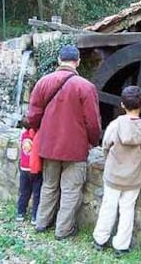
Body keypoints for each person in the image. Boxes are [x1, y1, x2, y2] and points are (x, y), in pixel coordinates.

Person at [27, 44, 101, 240]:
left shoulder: (43, 82)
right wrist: (92, 142)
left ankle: (42, 222)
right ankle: (63, 230)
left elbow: (32, 116)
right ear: (77, 62)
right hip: (75, 149)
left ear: (59, 60)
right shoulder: (86, 87)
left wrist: (41, 133)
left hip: (48, 147)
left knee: (49, 185)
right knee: (70, 190)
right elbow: (93, 123)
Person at [92, 85, 141, 257]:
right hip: (133, 178)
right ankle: (121, 245)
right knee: (127, 210)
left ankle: (100, 240)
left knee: (108, 207)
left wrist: (109, 161)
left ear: (122, 105)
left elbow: (105, 147)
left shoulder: (115, 125)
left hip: (113, 175)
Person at [16, 118, 42, 225]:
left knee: (24, 193)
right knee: (37, 194)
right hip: (35, 169)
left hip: (24, 169)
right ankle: (35, 217)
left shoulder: (23, 135)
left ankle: (20, 213)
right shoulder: (36, 134)